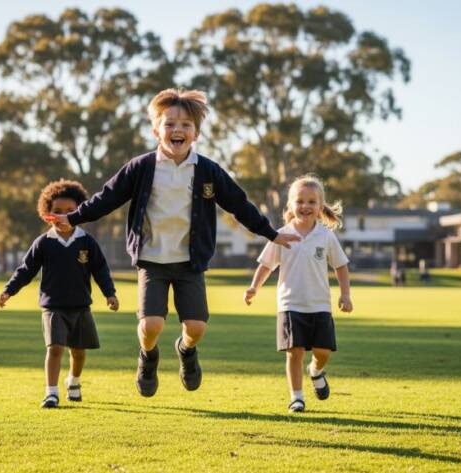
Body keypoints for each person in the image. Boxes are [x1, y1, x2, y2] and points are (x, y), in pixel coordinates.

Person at [46, 88, 299, 397]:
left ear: (196, 133)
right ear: (156, 130)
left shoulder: (207, 170)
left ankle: (186, 351)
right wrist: (73, 218)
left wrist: (271, 233)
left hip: (189, 263)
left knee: (196, 329)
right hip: (152, 260)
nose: (177, 130)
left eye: (185, 124)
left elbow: (238, 203)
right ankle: (148, 356)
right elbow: (107, 198)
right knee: (151, 325)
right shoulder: (141, 168)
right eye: (169, 124)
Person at [0, 179, 119, 408]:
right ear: (47, 214)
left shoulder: (86, 241)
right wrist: (9, 291)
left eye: (71, 211)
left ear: (80, 212)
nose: (64, 216)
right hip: (53, 306)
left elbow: (100, 270)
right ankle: (51, 393)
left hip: (81, 306)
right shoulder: (43, 243)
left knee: (79, 352)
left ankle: (73, 381)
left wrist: (109, 293)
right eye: (57, 211)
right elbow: (26, 270)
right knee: (55, 348)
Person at [244, 175, 353, 413]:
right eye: (300, 201)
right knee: (295, 353)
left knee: (322, 353)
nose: (305, 206)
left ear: (320, 206)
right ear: (291, 206)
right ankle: (297, 397)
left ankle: (315, 371)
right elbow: (266, 265)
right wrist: (254, 287)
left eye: (311, 201)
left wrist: (345, 295)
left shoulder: (326, 236)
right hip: (290, 304)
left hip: (320, 306)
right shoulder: (281, 235)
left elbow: (341, 266)